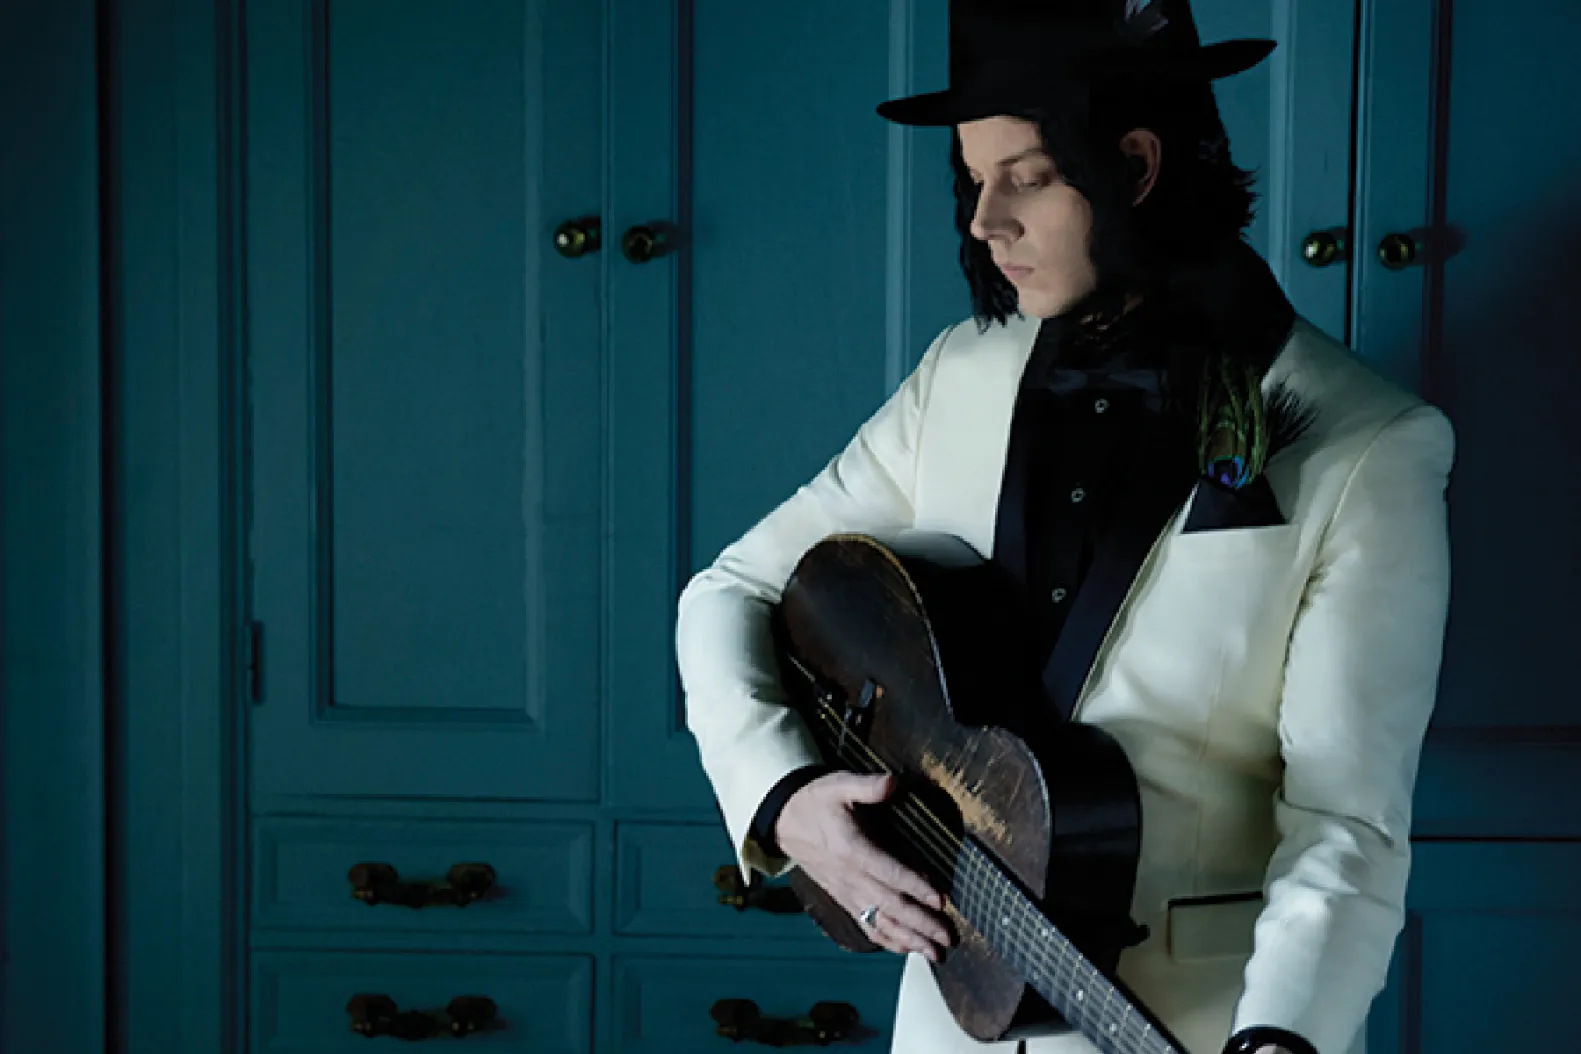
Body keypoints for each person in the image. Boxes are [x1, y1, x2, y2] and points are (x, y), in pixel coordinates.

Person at [674, 2, 1454, 1052]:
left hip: (1210, 1028)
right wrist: (784, 795)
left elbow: (1346, 826)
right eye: (972, 176)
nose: (983, 222)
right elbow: (728, 592)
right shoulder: (959, 375)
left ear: (1132, 166)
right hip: (955, 1015)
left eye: (1025, 175)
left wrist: (1284, 1038)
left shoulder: (1371, 442)